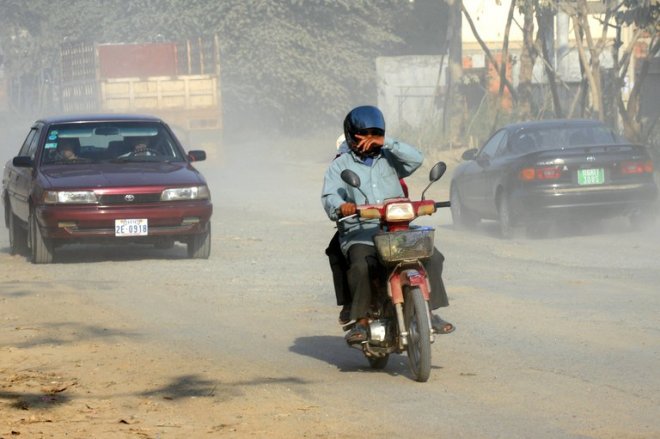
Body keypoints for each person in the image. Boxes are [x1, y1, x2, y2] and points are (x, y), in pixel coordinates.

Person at [321, 105, 454, 344]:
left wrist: (387, 142)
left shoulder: (389, 157)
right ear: (351, 136)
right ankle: (362, 321)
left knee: (433, 257)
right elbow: (330, 196)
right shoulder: (340, 166)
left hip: (397, 229)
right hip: (361, 232)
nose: (370, 140)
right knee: (361, 266)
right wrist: (342, 206)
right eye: (364, 135)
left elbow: (417, 159)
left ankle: (429, 313)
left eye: (375, 134)